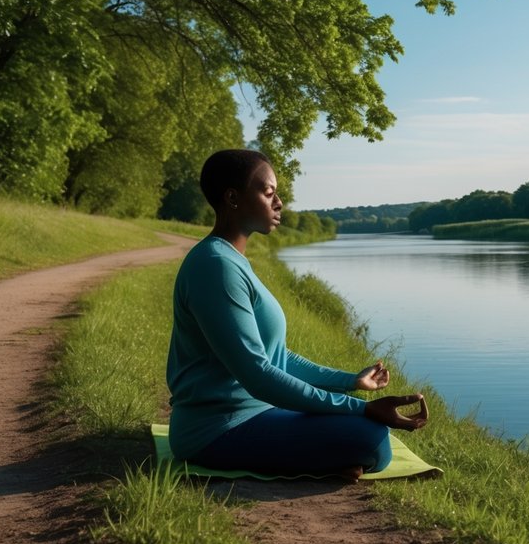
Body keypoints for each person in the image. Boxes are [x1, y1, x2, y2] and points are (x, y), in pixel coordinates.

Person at [165, 148, 428, 479]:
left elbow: (277, 358)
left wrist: (350, 382)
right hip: (215, 430)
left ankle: (322, 458)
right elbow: (258, 375)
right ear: (233, 198)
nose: (279, 203)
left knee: (364, 432)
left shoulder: (231, 260)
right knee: (372, 439)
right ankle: (324, 459)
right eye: (269, 192)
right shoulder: (216, 267)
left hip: (255, 414)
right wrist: (361, 408)